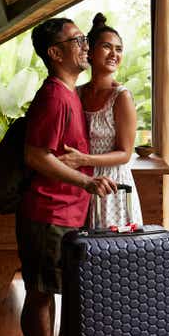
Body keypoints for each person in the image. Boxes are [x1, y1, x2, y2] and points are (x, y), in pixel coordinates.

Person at [18, 17, 117, 336]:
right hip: (48, 212)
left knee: (53, 291)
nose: (85, 45)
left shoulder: (70, 93)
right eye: (77, 40)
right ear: (55, 52)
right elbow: (35, 155)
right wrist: (86, 182)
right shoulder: (54, 97)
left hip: (66, 212)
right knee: (41, 295)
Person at [58, 13, 144, 228]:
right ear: (90, 51)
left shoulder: (121, 97)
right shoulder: (74, 93)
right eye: (107, 47)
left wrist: (83, 160)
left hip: (112, 187)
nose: (114, 54)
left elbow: (125, 154)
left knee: (110, 256)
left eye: (119, 49)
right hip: (79, 184)